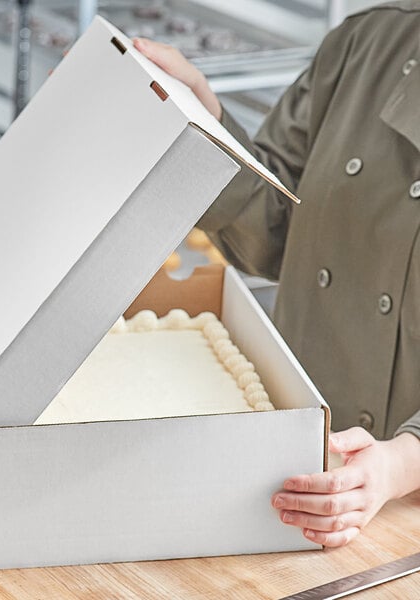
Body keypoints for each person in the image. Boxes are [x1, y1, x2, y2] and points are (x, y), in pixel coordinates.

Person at [134, 0, 420, 548]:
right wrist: (201, 123)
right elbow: (277, 228)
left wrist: (401, 464)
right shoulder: (369, 41)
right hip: (297, 475)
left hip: (407, 519)